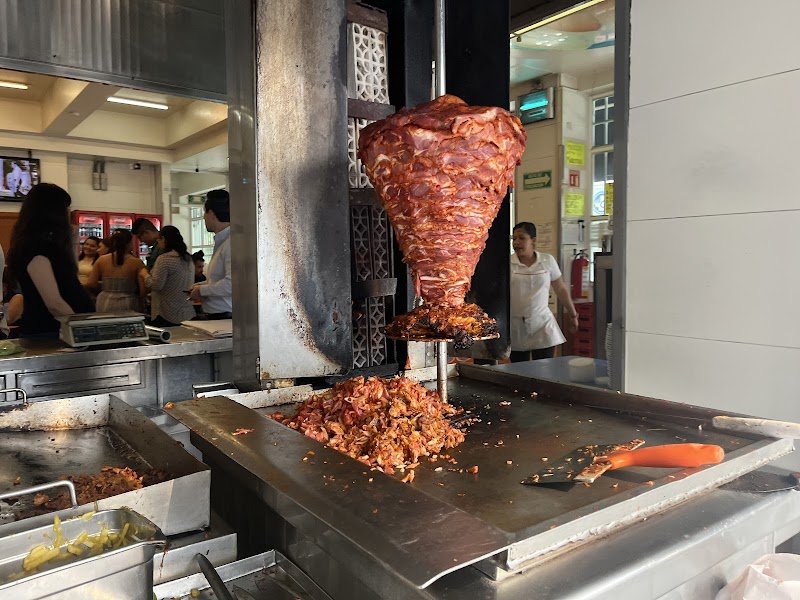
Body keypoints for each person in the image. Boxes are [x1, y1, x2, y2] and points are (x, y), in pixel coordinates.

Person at [7, 183, 94, 337]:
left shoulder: (48, 246)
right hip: (51, 332)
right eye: (65, 207)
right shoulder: (35, 249)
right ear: (52, 212)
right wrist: (83, 330)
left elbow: (71, 277)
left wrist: (72, 240)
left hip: (59, 330)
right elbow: (54, 303)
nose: (67, 212)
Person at [510, 222, 578, 362]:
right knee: (518, 372)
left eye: (521, 238)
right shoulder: (507, 263)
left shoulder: (547, 260)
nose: (516, 243)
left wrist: (573, 314)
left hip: (542, 324)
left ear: (533, 240)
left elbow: (560, 288)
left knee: (543, 370)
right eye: (514, 239)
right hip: (515, 325)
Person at [188, 189, 232, 319]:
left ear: (211, 213)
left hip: (225, 317)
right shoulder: (222, 242)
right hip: (218, 315)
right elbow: (218, 280)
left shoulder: (231, 243)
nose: (203, 217)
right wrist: (201, 286)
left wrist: (202, 290)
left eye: (204, 213)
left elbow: (232, 284)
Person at [144, 226, 195, 326]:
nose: (158, 242)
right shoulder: (188, 258)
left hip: (167, 314)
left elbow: (156, 285)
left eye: (159, 239)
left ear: (164, 239)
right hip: (187, 312)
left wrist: (145, 275)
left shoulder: (164, 259)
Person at [87, 229, 145, 313]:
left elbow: (91, 283)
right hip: (128, 303)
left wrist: (105, 287)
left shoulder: (102, 260)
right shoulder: (136, 262)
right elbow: (143, 291)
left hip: (104, 301)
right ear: (129, 244)